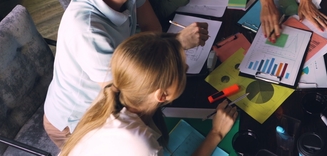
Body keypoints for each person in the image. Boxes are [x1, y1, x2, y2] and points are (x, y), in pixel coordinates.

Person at [43, 0, 208, 148]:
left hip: (118, 95)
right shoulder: (87, 30)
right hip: (82, 119)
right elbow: (129, 91)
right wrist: (177, 43)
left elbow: (153, 28)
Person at [60, 32, 238, 156]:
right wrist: (216, 133)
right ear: (161, 96)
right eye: (182, 71)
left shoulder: (107, 99)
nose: (187, 67)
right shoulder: (141, 144)